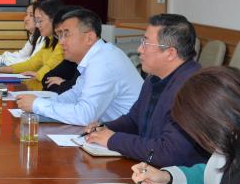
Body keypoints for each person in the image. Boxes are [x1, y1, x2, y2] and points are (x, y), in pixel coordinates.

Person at [83, 13, 207, 167]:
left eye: (146, 43)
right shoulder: (154, 78)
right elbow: (134, 120)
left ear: (170, 53)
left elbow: (168, 153)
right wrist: (105, 128)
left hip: (178, 176)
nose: (139, 49)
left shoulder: (194, 89)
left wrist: (112, 140)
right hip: (149, 168)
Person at [17, 8, 141, 125]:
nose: (61, 42)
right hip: (111, 131)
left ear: (89, 38)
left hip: (128, 136)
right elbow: (75, 95)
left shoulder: (103, 61)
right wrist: (40, 103)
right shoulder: (96, 56)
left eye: (66, 34)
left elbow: (86, 115)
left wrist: (38, 105)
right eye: (60, 35)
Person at [0, 0, 66, 91]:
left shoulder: (61, 43)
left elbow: (49, 67)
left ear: (54, 19)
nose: (37, 25)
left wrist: (37, 75)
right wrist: (0, 70)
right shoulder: (49, 41)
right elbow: (31, 64)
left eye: (40, 21)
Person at [0, 1, 42, 65]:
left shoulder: (43, 38)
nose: (26, 18)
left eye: (31, 15)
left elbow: (30, 62)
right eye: (26, 14)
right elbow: (21, 55)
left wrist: (1, 60)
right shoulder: (33, 37)